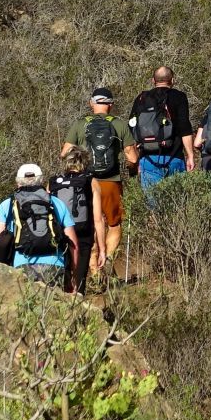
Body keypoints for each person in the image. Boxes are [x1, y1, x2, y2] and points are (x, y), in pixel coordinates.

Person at [60, 88, 135, 283]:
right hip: (111, 181)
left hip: (85, 182)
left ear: (91, 103)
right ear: (111, 104)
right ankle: (107, 260)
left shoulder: (80, 124)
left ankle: (93, 268)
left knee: (91, 223)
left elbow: (64, 153)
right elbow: (132, 157)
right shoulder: (119, 124)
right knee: (114, 224)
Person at [0, 164, 78, 288]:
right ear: (41, 180)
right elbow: (73, 244)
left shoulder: (7, 204)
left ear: (18, 182)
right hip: (55, 265)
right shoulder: (57, 203)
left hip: (21, 266)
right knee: (53, 300)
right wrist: (73, 274)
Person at [128, 66, 194, 191]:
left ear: (153, 80)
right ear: (172, 80)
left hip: (147, 159)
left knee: (152, 200)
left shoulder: (141, 98)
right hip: (174, 157)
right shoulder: (179, 97)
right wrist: (190, 155)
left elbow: (132, 128)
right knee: (176, 200)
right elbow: (184, 127)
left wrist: (136, 159)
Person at [48, 149, 97, 295]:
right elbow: (99, 219)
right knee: (80, 273)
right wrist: (102, 248)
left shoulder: (54, 182)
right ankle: (79, 296)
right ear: (85, 163)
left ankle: (63, 297)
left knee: (64, 272)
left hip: (60, 231)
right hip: (83, 232)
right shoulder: (90, 181)